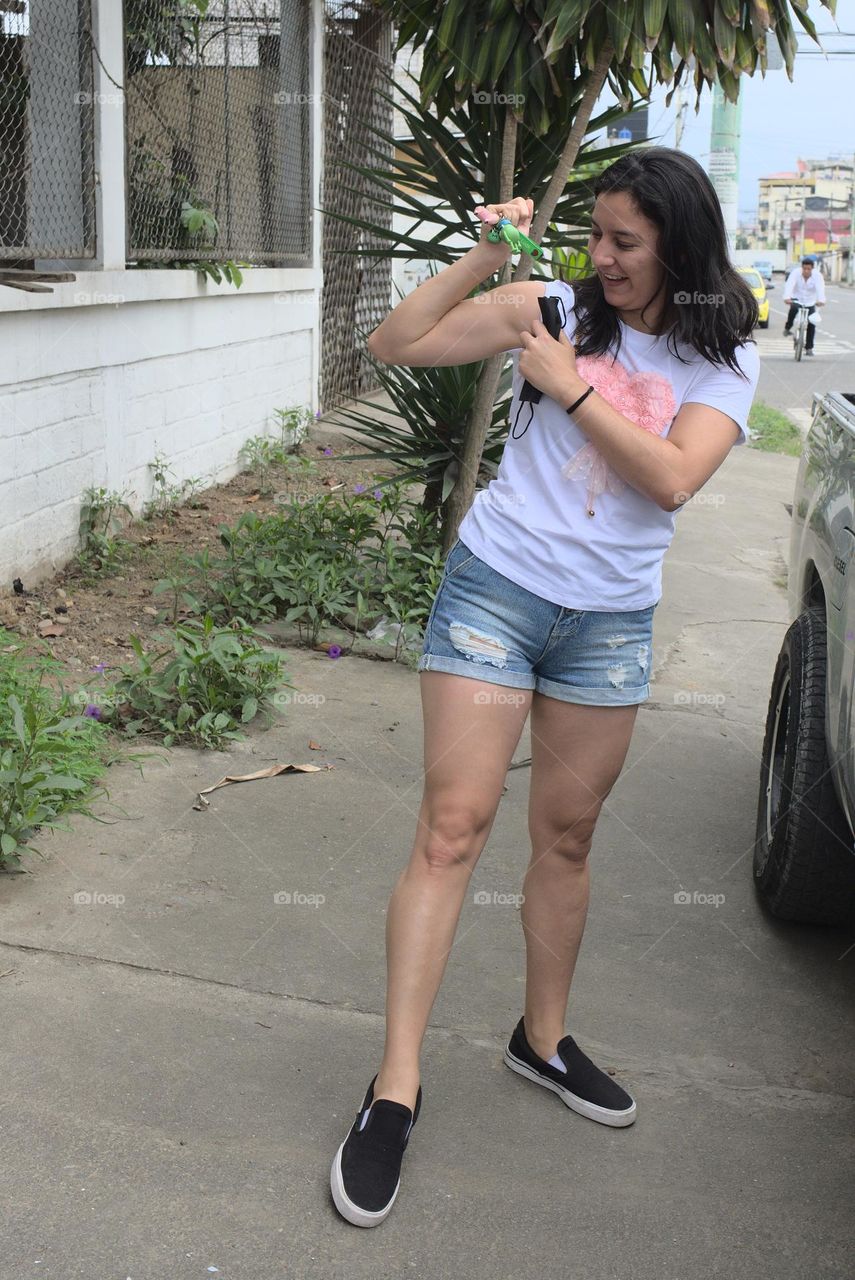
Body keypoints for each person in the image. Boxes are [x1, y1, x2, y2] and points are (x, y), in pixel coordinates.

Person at [329, 146, 760, 1228]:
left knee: (566, 839)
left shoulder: (723, 353)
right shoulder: (549, 303)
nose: (601, 258)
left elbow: (670, 479)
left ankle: (543, 1039)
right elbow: (397, 342)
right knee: (451, 828)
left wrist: (565, 384)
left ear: (679, 246)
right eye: (595, 236)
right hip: (498, 591)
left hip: (607, 625)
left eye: (625, 242)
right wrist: (482, 255)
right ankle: (394, 1087)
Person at [783, 255, 826, 355]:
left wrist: (821, 300)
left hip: (810, 301)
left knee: (812, 322)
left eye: (808, 269)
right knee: (793, 309)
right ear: (801, 268)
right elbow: (789, 285)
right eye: (804, 268)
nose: (806, 271)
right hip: (797, 299)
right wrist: (787, 297)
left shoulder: (817, 276)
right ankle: (787, 327)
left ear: (812, 269)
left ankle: (809, 348)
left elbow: (820, 288)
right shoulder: (795, 273)